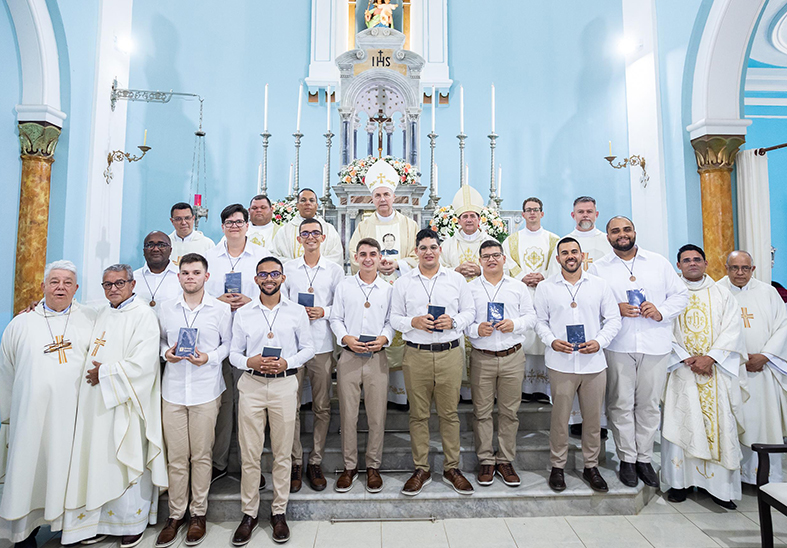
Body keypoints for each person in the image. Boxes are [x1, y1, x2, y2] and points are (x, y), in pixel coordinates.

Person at [62, 264, 167, 547]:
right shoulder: (103, 312)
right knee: (100, 460)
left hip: (127, 402)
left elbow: (144, 364)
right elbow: (71, 313)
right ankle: (99, 522)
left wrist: (105, 373)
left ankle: (130, 522)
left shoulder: (144, 315)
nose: (113, 289)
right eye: (107, 284)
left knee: (126, 458)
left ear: (132, 284)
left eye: (119, 283)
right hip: (98, 404)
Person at [0, 261, 97, 548]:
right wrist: (8, 415)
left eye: (67, 283)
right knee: (28, 471)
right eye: (54, 282)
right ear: (43, 286)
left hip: (73, 418)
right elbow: (6, 369)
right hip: (31, 417)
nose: (60, 288)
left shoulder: (90, 319)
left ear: (76, 288)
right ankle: (24, 534)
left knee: (69, 473)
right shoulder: (21, 323)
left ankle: (72, 529)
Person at [590, 216, 687, 488]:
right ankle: (627, 459)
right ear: (608, 237)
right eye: (615, 231)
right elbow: (591, 304)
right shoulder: (598, 268)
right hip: (618, 344)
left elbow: (680, 295)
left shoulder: (658, 263)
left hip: (655, 343)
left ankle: (644, 458)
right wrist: (615, 309)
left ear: (634, 232)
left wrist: (660, 311)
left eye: (626, 229)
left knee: (648, 405)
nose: (622, 234)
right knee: (620, 403)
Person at [229, 256, 314, 545]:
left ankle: (279, 512)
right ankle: (249, 514)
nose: (269, 279)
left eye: (274, 274)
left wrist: (288, 362)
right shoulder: (244, 313)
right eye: (263, 275)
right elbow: (234, 354)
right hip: (252, 385)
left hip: (284, 384)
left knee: (282, 453)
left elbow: (308, 348)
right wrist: (249, 361)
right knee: (250, 454)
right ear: (256, 279)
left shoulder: (296, 311)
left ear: (282, 278)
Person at [390, 228, 476, 496]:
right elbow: (394, 318)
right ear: (416, 251)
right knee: (418, 415)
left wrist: (455, 321)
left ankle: (452, 468)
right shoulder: (403, 282)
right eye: (423, 248)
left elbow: (470, 311)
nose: (429, 252)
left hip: (449, 353)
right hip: (416, 354)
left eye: (433, 247)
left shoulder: (455, 279)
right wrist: (413, 322)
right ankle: (421, 469)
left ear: (440, 250)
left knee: (449, 414)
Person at [155, 253, 232, 547]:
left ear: (206, 276)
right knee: (176, 457)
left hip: (205, 390)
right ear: (179, 277)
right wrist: (166, 353)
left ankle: (198, 513)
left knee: (201, 455)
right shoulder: (166, 308)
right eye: (185, 273)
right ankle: (175, 515)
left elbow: (228, 344)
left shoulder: (220, 310)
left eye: (196, 272)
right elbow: (160, 340)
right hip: (173, 390)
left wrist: (209, 357)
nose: (190, 277)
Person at [662, 244, 747, 509]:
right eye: (686, 260)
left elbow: (733, 330)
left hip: (715, 371)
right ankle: (679, 484)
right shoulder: (670, 293)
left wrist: (710, 357)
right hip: (682, 371)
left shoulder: (722, 294)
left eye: (697, 259)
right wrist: (685, 357)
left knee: (718, 426)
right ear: (678, 265)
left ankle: (719, 489)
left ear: (706, 263)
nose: (692, 263)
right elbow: (663, 328)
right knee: (681, 422)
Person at [534, 237, 621, 493]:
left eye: (574, 251)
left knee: (593, 420)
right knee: (560, 419)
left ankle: (590, 466)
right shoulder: (546, 287)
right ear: (558, 258)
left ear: (581, 255)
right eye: (565, 253)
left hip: (593, 363)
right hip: (561, 362)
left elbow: (613, 319)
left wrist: (599, 341)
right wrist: (552, 341)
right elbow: (539, 321)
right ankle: (557, 466)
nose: (570, 256)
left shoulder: (599, 285)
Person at [204, 203, 268, 481]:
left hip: (249, 342)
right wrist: (217, 302)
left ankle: (248, 466)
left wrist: (250, 301)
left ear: (247, 225)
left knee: (249, 407)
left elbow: (271, 294)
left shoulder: (261, 257)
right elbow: (197, 295)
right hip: (216, 340)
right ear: (222, 227)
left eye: (239, 222)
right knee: (220, 405)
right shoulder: (209, 258)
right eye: (229, 222)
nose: (234, 226)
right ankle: (217, 463)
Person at [346, 159, 418, 406]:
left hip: (400, 288)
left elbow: (418, 256)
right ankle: (374, 393)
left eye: (386, 194)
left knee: (399, 338)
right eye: (377, 195)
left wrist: (397, 264)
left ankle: (399, 395)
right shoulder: (364, 225)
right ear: (372, 199)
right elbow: (353, 254)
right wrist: (374, 265)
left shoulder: (409, 224)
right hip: (372, 291)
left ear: (394, 196)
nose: (382, 199)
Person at [466, 240, 536, 487]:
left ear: (504, 259)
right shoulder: (470, 289)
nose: (491, 260)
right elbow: (463, 321)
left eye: (496, 255)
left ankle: (505, 460)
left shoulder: (518, 287)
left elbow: (531, 317)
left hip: (512, 356)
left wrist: (514, 324)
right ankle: (486, 460)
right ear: (480, 261)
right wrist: (476, 329)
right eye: (486, 256)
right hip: (482, 357)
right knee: (482, 412)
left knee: (509, 412)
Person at [283, 218, 344, 492]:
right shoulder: (288, 269)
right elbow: (280, 303)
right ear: (299, 239)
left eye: (315, 233)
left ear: (323, 238)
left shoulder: (334, 270)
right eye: (305, 233)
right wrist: (297, 313)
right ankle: (295, 460)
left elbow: (340, 305)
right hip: (294, 346)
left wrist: (324, 311)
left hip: (321, 344)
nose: (310, 237)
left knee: (322, 406)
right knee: (291, 406)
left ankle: (315, 460)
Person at [329, 237, 394, 493]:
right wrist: (346, 338)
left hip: (377, 357)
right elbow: (335, 318)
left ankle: (373, 466)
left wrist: (384, 338)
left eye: (373, 254)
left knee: (377, 415)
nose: (368, 258)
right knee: (349, 415)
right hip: (349, 356)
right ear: (355, 258)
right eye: (363, 254)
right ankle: (349, 466)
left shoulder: (388, 289)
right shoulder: (345, 286)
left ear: (380, 258)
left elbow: (391, 321)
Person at [717, 250, 787, 485]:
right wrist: (734, 358)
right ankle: (733, 478)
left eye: (745, 268)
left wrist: (765, 356)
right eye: (734, 268)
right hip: (729, 371)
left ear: (752, 269)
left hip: (763, 372)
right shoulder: (716, 292)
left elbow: (784, 326)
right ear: (726, 268)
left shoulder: (768, 293)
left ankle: (766, 476)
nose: (740, 273)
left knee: (764, 423)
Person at [549, 196, 613, 437]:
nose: (585, 215)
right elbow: (553, 279)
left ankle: (599, 424)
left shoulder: (608, 242)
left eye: (589, 211)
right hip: (567, 321)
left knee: (595, 382)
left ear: (596, 214)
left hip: (597, 317)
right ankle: (574, 422)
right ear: (573, 215)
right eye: (580, 211)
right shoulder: (563, 241)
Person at [440, 185, 499, 401]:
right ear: (458, 220)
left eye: (472, 216)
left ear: (479, 219)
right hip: (456, 303)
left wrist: (481, 270)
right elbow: (437, 270)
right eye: (464, 216)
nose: (469, 220)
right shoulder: (448, 244)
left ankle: (482, 392)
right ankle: (459, 391)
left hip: (484, 300)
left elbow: (504, 269)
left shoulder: (490, 243)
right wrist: (455, 271)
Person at [502, 197, 559, 404]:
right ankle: (524, 390)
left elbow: (558, 264)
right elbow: (506, 262)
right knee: (525, 339)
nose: (532, 213)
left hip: (545, 294)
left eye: (536, 209)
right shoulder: (512, 240)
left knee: (542, 339)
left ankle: (543, 390)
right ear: (523, 214)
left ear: (542, 213)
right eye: (528, 210)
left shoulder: (554, 240)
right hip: (522, 294)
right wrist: (521, 277)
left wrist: (544, 276)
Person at [271, 188, 343, 266]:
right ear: (297, 205)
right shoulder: (284, 231)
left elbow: (336, 257)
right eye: (303, 200)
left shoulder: (329, 230)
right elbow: (275, 257)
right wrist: (298, 266)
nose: (307, 203)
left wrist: (314, 267)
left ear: (317, 205)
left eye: (311, 200)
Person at [134, 231, 181, 313]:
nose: (155, 249)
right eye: (150, 245)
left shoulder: (182, 277)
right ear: (144, 251)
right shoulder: (133, 278)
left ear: (170, 250)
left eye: (161, 245)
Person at [169, 202, 215, 266]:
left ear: (193, 218)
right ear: (172, 221)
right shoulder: (166, 243)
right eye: (178, 219)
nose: (183, 222)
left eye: (187, 218)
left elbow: (213, 267)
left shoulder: (207, 244)